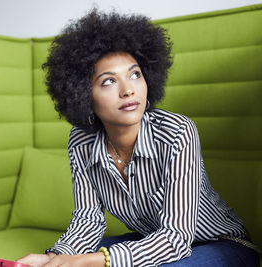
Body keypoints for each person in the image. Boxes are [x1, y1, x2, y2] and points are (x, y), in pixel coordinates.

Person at [17, 8, 261, 267]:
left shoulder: (177, 131)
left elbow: (176, 237)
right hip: (151, 240)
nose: (128, 90)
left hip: (218, 244)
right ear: (85, 99)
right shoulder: (81, 141)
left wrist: (98, 260)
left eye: (135, 74)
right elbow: (87, 219)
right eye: (109, 81)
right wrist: (54, 257)